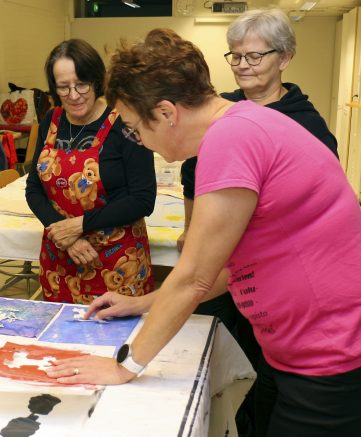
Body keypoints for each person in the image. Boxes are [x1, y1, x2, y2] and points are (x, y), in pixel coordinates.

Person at [45, 28, 361, 436]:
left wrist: (125, 366)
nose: (137, 140)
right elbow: (225, 267)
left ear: (166, 113)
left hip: (330, 355)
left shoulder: (231, 138)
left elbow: (194, 275)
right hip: (296, 350)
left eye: (132, 127)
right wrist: (145, 303)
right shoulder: (245, 122)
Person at [179, 10, 340, 433]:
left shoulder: (305, 122)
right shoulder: (225, 110)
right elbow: (193, 172)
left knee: (261, 365)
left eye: (254, 57)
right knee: (206, 344)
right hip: (219, 265)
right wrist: (192, 227)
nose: (243, 66)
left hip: (270, 275)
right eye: (235, 57)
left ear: (285, 57)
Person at [25, 39, 156, 304]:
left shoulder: (124, 123)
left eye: (81, 84)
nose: (73, 95)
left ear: (96, 80)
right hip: (61, 260)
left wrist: (80, 225)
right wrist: (65, 236)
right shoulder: (51, 120)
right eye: (63, 87)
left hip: (116, 262)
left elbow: (142, 198)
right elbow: (34, 188)